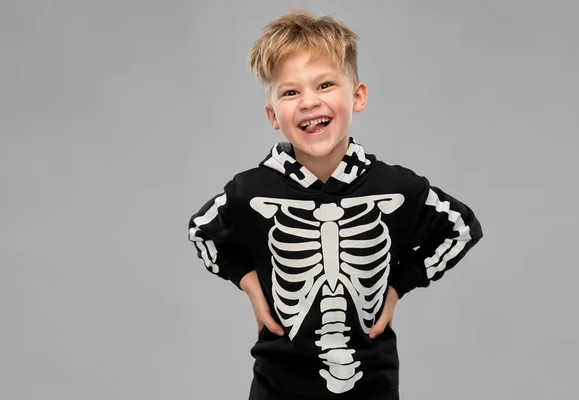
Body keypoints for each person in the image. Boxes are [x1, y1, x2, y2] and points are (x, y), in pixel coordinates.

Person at [188, 9, 483, 400]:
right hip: (278, 386)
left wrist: (398, 286)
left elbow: (462, 229)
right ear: (273, 115)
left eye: (325, 85)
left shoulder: (395, 187)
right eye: (290, 92)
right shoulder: (250, 190)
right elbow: (201, 232)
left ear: (357, 96)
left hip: (372, 386)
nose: (309, 102)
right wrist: (251, 288)